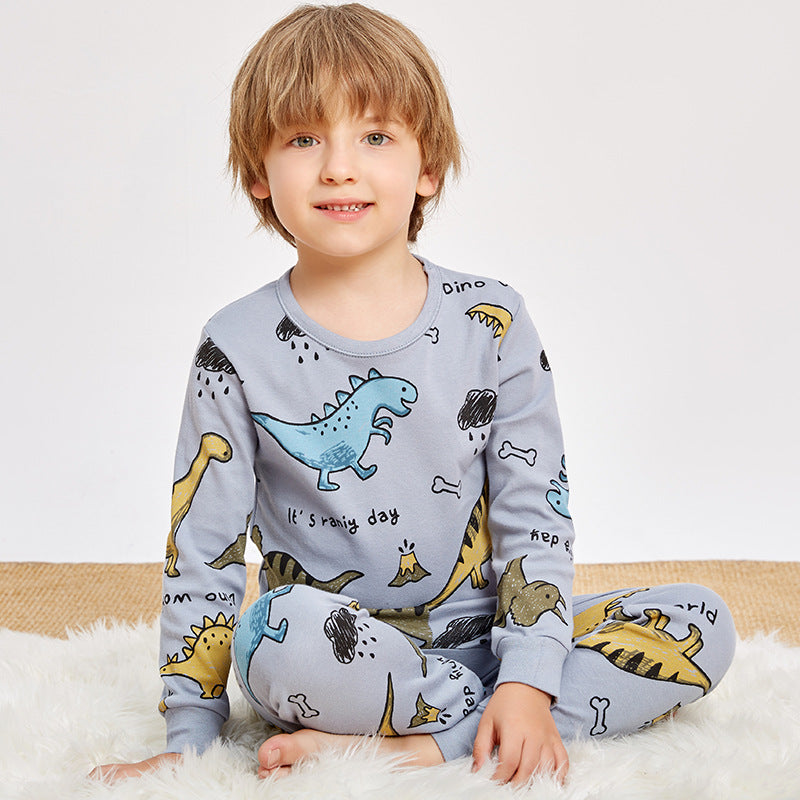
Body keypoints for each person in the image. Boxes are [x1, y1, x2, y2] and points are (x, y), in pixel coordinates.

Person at [91, 3, 736, 787]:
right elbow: (205, 548)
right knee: (273, 631)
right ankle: (471, 727)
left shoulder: (492, 320)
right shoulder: (234, 345)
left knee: (702, 621)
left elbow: (535, 508)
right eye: (303, 139)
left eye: (375, 137)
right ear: (259, 173)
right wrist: (191, 739)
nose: (339, 167)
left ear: (426, 167)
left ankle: (433, 742)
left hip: (485, 638)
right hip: (331, 651)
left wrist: (529, 677)